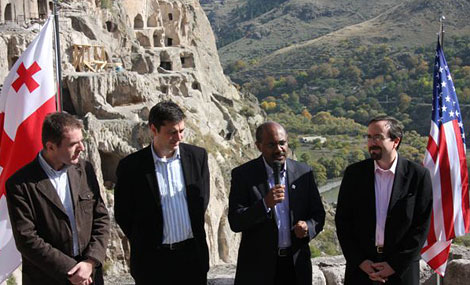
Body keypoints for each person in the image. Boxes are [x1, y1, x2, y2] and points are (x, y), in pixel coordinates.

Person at [6, 112, 110, 285]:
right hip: (48, 277)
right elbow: (27, 239)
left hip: (89, 275)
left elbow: (101, 218)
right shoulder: (20, 184)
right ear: (51, 147)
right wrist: (72, 270)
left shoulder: (85, 170)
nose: (82, 148)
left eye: (81, 141)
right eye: (73, 144)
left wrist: (90, 262)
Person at [114, 101, 210, 284]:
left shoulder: (197, 157)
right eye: (172, 132)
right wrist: (146, 240)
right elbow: (123, 214)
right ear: (154, 129)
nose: (179, 137)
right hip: (152, 263)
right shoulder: (131, 166)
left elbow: (201, 199)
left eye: (182, 130)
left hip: (192, 259)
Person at [335, 116, 433, 284]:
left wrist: (394, 265)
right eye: (369, 137)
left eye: (378, 137)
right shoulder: (354, 174)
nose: (372, 142)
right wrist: (360, 261)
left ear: (395, 141)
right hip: (361, 271)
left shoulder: (418, 176)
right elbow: (343, 221)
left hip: (402, 271)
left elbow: (421, 226)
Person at [228, 121, 325, 285]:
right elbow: (236, 222)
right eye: (271, 145)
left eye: (282, 143)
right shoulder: (243, 175)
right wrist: (265, 204)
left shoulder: (303, 172)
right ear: (258, 146)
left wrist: (308, 226)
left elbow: (318, 214)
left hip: (295, 268)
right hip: (258, 271)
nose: (279, 149)